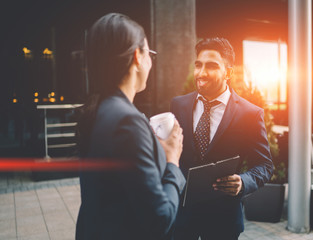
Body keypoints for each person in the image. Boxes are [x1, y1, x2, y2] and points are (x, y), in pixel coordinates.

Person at [75, 13, 186, 240]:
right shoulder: (128, 121)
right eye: (150, 53)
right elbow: (159, 219)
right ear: (137, 56)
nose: (151, 62)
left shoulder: (98, 110)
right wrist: (173, 161)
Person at [170, 37, 274, 240]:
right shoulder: (178, 105)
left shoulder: (250, 114)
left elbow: (264, 165)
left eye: (211, 66)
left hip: (223, 220)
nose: (201, 73)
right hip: (181, 215)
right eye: (198, 65)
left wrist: (243, 182)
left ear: (229, 72)